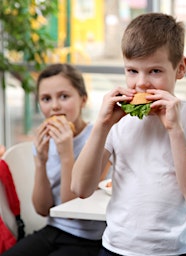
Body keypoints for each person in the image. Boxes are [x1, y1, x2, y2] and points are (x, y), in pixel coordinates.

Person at [71, 13, 186, 256]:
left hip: (179, 250)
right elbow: (80, 188)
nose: (141, 83)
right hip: (117, 248)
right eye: (132, 71)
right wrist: (102, 126)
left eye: (154, 71)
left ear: (180, 68)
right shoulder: (117, 122)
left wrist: (175, 130)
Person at [3, 63, 107, 256]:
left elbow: (71, 210)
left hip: (87, 239)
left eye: (64, 96)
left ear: (83, 99)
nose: (55, 106)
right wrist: (40, 161)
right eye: (46, 99)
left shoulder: (98, 139)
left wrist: (66, 154)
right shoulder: (44, 140)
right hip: (52, 230)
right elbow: (42, 209)